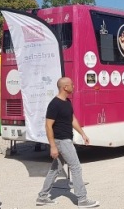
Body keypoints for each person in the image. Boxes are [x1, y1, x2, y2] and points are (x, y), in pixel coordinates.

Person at [36, 77, 99, 208]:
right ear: (65, 87)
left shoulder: (67, 102)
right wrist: (53, 146)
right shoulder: (54, 104)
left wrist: (83, 133)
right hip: (61, 141)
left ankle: (42, 197)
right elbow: (48, 126)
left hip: (66, 139)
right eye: (72, 85)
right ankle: (82, 199)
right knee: (76, 167)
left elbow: (72, 119)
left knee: (55, 169)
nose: (74, 86)